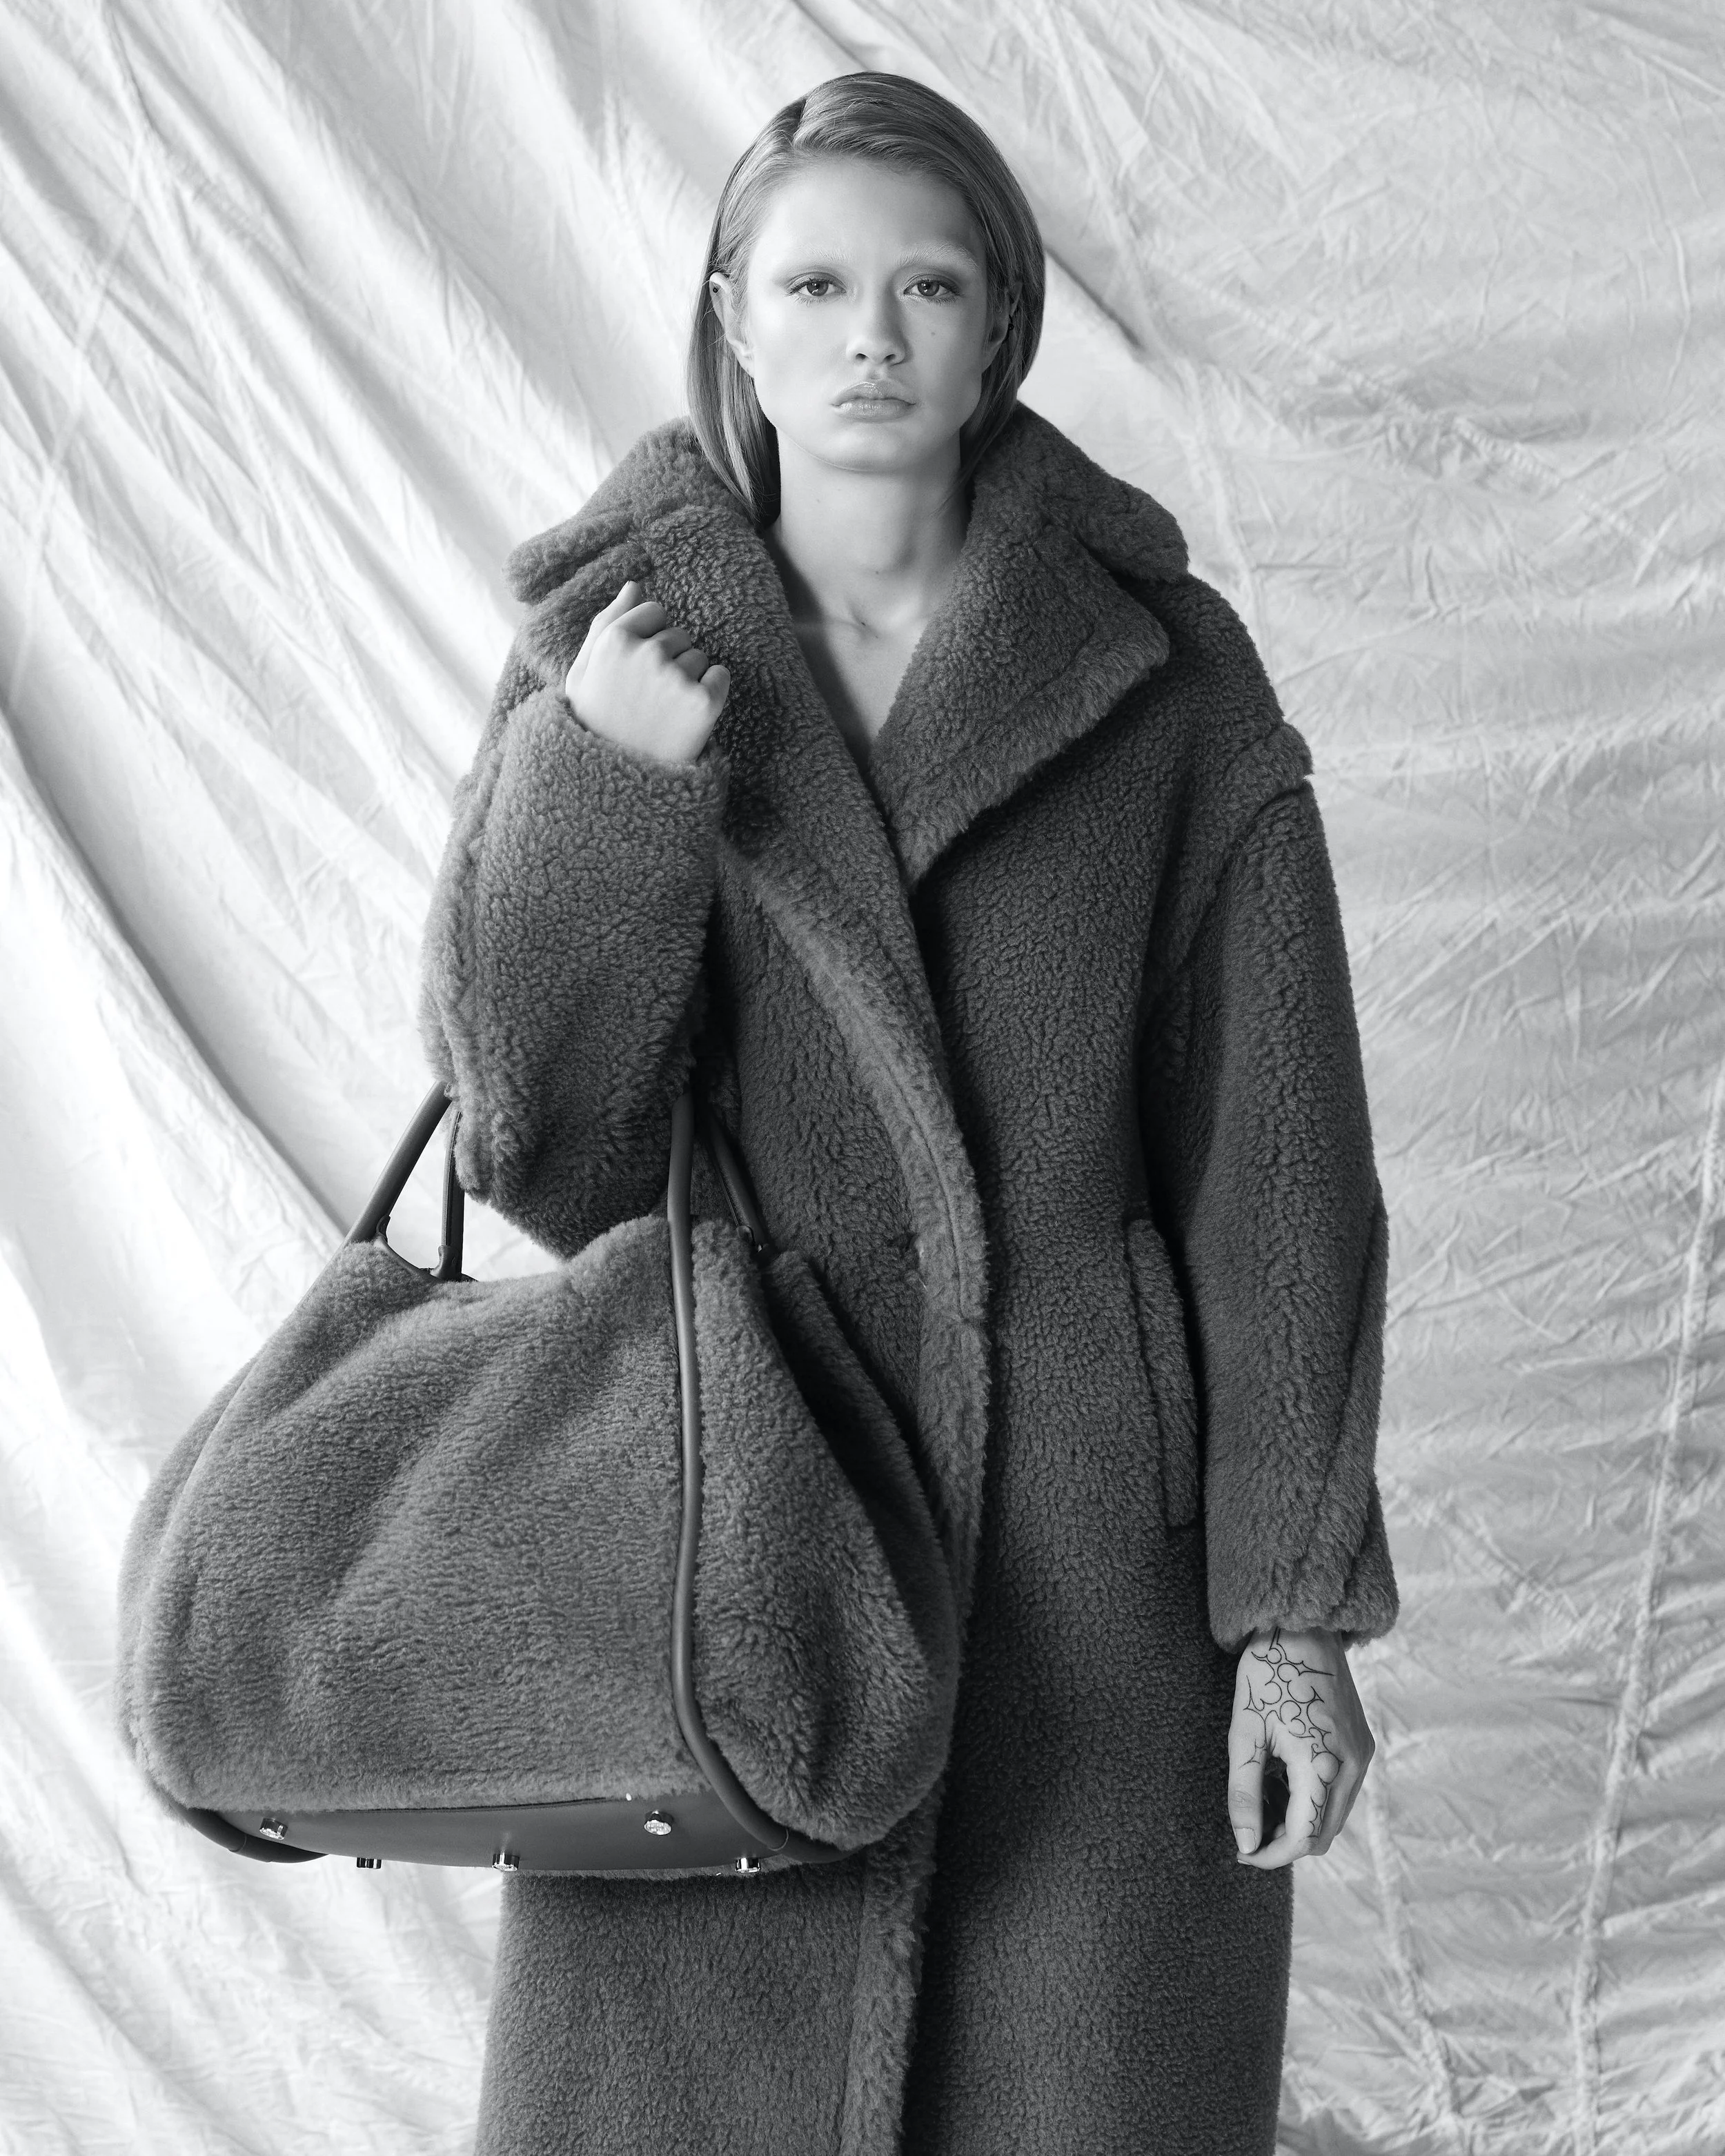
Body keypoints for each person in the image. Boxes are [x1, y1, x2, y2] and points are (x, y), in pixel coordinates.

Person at [417, 68, 1398, 2156]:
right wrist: (600, 789)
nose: (872, 335)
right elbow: (540, 1150)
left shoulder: (1163, 678)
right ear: (733, 316)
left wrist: (1291, 1613)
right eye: (816, 283)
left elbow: (1279, 1165)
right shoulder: (612, 659)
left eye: (930, 284)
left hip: (1094, 1555)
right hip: (732, 1527)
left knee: (1081, 2083)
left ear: (1003, 322)